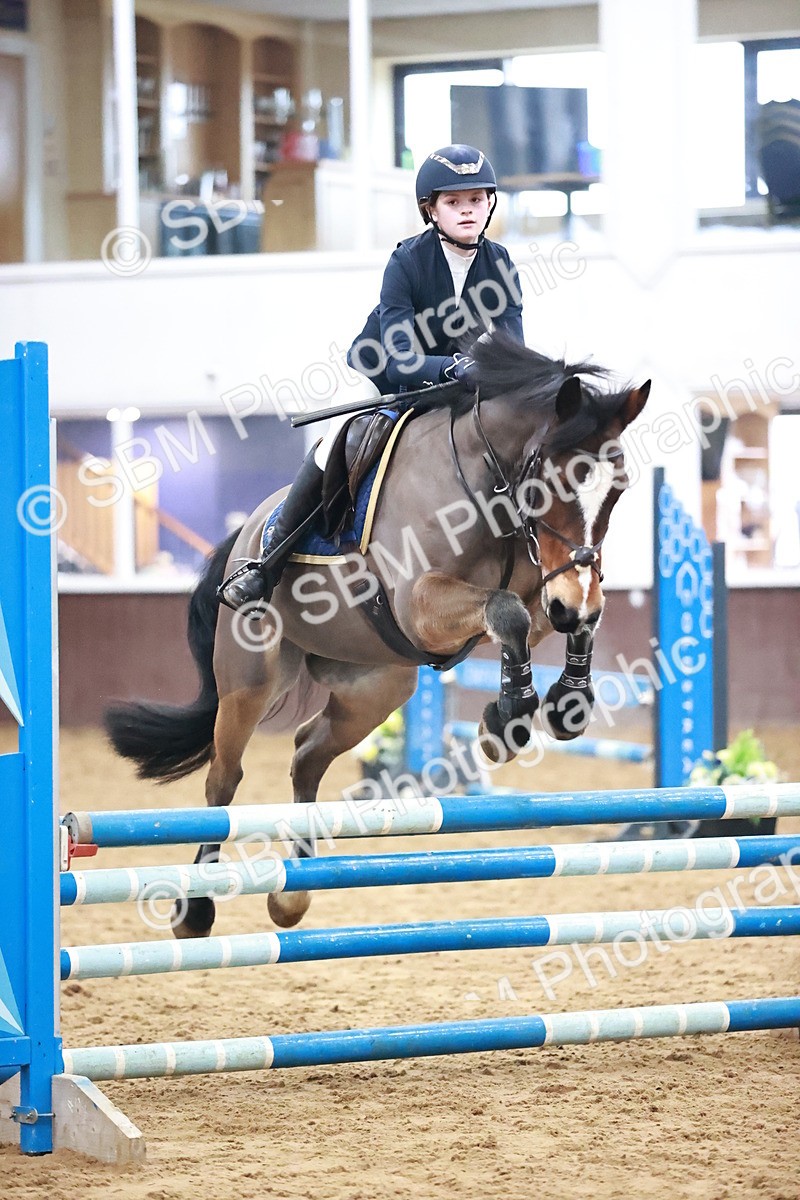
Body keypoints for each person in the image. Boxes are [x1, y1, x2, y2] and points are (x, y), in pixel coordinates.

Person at [219, 144, 525, 612]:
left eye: (477, 200)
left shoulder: (500, 263)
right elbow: (401, 360)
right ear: (431, 209)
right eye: (453, 202)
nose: (467, 211)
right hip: (383, 375)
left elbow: (514, 350)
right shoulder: (407, 261)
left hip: (458, 386)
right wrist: (454, 367)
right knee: (339, 437)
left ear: (491, 203)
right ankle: (269, 561)